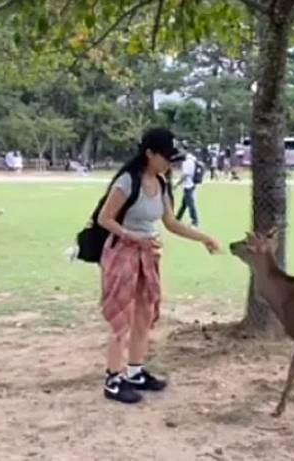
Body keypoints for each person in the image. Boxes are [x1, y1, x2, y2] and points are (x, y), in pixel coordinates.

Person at [96, 127, 219, 404]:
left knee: (144, 313)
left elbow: (170, 223)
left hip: (147, 255)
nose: (169, 163)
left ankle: (135, 371)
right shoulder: (127, 182)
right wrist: (133, 237)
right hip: (122, 254)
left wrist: (203, 238)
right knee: (121, 319)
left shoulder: (161, 183)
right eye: (165, 157)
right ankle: (113, 379)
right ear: (149, 153)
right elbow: (105, 219)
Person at [175, 150, 200, 227]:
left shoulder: (187, 162)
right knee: (184, 203)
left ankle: (194, 220)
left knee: (190, 203)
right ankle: (177, 218)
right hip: (191, 183)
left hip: (188, 184)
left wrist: (177, 183)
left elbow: (185, 174)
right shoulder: (192, 160)